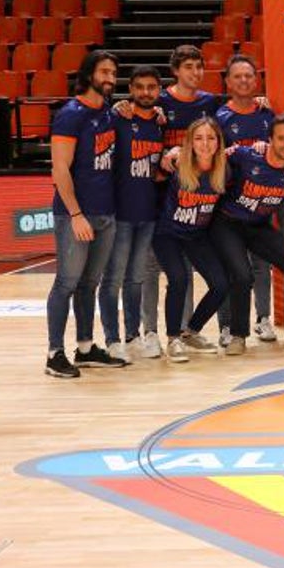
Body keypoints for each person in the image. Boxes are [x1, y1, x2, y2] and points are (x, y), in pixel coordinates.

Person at [44, 50, 127, 378]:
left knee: (89, 284)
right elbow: (60, 168)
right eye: (104, 72)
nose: (109, 78)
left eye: (113, 73)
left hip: (106, 213)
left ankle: (85, 348)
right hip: (75, 215)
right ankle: (54, 354)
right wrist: (76, 214)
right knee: (66, 282)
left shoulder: (107, 111)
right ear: (89, 74)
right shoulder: (70, 114)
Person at [209, 115, 284, 354]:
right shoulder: (247, 156)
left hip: (258, 225)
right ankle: (238, 336)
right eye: (281, 139)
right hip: (227, 222)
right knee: (242, 275)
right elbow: (213, 157)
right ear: (269, 139)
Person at [139, 44, 222, 359]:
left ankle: (184, 331)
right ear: (175, 71)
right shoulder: (158, 101)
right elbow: (133, 118)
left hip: (190, 199)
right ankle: (149, 332)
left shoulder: (209, 103)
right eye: (189, 67)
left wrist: (258, 101)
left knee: (183, 272)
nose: (195, 73)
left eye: (199, 67)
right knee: (151, 269)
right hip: (156, 194)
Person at [150, 117, 229, 362]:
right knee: (179, 279)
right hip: (168, 234)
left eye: (210, 138)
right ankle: (173, 339)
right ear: (189, 142)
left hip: (196, 235)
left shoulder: (225, 169)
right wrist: (169, 154)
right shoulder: (176, 164)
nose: (205, 143)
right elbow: (154, 180)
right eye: (198, 138)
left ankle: (190, 332)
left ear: (219, 142)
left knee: (221, 284)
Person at [98, 65, 163, 364]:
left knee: (135, 278)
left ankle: (132, 335)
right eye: (140, 87)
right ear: (132, 90)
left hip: (148, 214)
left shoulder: (160, 123)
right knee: (113, 280)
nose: (146, 92)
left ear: (159, 90)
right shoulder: (118, 118)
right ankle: (112, 340)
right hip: (120, 214)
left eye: (151, 87)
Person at [215, 54, 277, 343]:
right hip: (229, 206)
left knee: (261, 264)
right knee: (231, 266)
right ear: (228, 81)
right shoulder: (220, 118)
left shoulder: (267, 115)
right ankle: (226, 326)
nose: (243, 81)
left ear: (257, 80)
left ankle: (264, 319)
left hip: (261, 205)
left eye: (249, 76)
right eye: (237, 76)